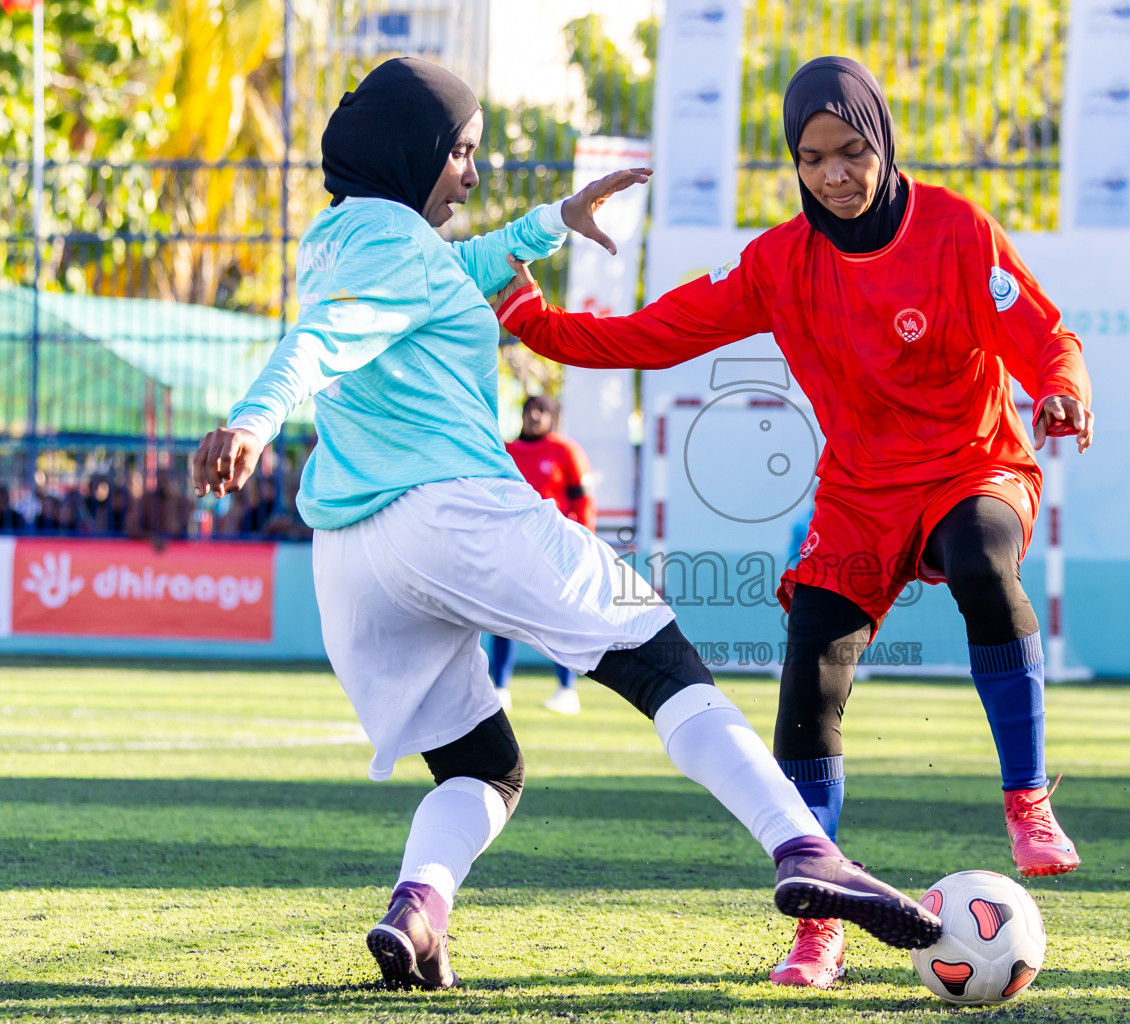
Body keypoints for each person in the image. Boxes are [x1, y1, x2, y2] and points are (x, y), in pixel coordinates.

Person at [190, 57, 938, 993]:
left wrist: (550, 223)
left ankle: (417, 908)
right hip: (451, 510)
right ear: (412, 151)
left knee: (483, 768)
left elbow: (447, 277)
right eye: (461, 152)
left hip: (350, 558)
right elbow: (319, 342)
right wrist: (254, 421)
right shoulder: (387, 255)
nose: (470, 172)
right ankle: (803, 848)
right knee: (661, 655)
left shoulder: (344, 237)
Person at [496, 55, 1092, 989]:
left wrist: (1059, 391)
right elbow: (657, 332)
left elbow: (1047, 336)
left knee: (982, 562)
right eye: (812, 159)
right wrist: (534, 321)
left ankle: (1026, 798)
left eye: (852, 152)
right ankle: (823, 922)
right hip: (859, 491)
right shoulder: (781, 263)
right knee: (809, 679)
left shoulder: (954, 230)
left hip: (973, 465)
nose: (834, 176)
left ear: (883, 143)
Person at [489, 394, 595, 714]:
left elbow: (583, 501)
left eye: (542, 411)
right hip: (511, 547)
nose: (534, 416)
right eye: (528, 410)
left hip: (555, 549)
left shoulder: (565, 451)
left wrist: (584, 541)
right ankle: (499, 688)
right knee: (501, 618)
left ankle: (566, 689)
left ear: (552, 418)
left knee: (559, 618)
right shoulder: (504, 451)